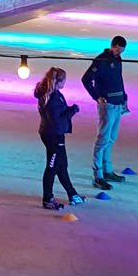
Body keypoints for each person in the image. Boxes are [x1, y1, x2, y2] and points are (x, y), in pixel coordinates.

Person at [81, 36, 130, 190]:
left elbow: (118, 78)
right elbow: (86, 79)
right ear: (112, 46)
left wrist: (124, 96)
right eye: (117, 49)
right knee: (102, 139)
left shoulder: (118, 59)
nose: (118, 53)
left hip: (117, 102)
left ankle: (107, 170)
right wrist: (96, 96)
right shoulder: (101, 60)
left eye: (121, 51)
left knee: (111, 138)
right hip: (107, 104)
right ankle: (98, 175)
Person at [35, 68, 84, 211]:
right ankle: (47, 198)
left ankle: (72, 193)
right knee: (52, 166)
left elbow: (58, 114)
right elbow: (56, 119)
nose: (65, 83)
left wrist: (69, 110)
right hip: (53, 135)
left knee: (62, 165)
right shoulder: (52, 98)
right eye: (64, 80)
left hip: (55, 134)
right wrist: (73, 110)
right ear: (58, 81)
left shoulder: (53, 94)